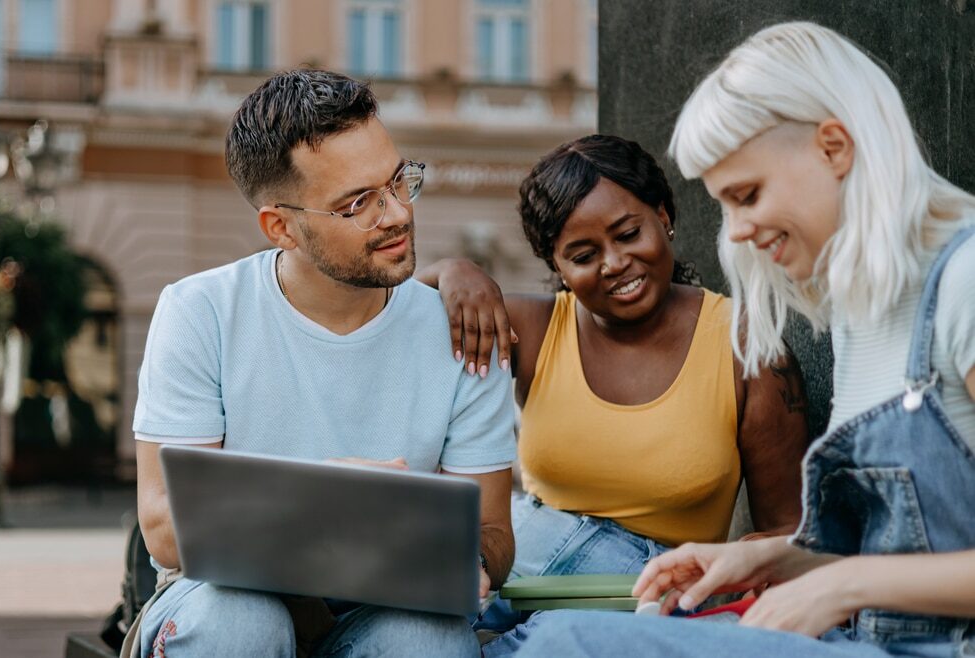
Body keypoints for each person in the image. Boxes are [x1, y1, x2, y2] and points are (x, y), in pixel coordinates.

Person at [513, 21, 975, 658]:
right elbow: (892, 549)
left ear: (834, 148)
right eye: (723, 206)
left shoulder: (965, 281)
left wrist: (841, 585)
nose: (736, 233)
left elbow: (865, 575)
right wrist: (756, 563)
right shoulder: (865, 310)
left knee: (567, 644)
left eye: (747, 196)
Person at [125, 69, 518, 658]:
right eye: (358, 203)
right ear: (281, 226)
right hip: (220, 597)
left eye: (398, 181)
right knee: (242, 623)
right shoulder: (199, 311)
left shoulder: (461, 330)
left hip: (385, 607)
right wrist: (336, 511)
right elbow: (162, 527)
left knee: (426, 639)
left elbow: (494, 536)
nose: (396, 214)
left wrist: (462, 558)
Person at [417, 134, 811, 655]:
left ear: (664, 215)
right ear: (557, 266)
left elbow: (789, 531)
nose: (614, 263)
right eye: (583, 254)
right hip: (524, 559)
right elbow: (385, 326)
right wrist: (452, 271)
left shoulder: (748, 349)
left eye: (628, 234)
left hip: (652, 586)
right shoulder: (532, 330)